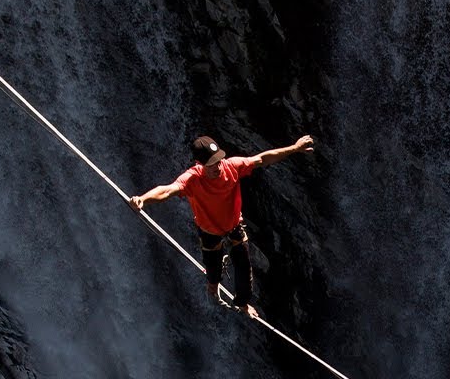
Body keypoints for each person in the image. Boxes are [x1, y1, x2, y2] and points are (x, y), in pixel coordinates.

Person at [129, 134, 314, 319]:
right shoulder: (192, 180)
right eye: (211, 165)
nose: (217, 167)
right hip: (209, 232)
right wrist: (143, 199)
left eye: (218, 161)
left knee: (244, 270)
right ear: (199, 164)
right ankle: (212, 288)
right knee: (213, 273)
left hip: (234, 227)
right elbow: (168, 190)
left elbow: (262, 158)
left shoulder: (231, 166)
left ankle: (243, 304)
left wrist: (295, 148)